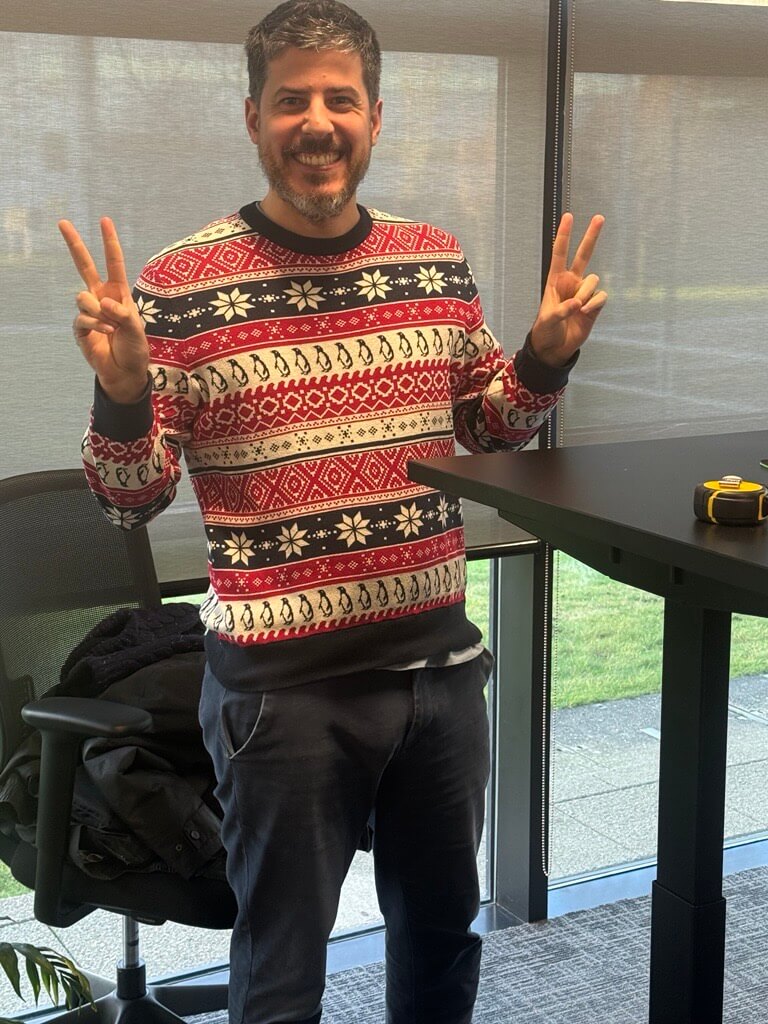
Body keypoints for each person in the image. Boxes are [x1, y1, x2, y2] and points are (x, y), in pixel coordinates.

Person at [58, 2, 607, 1021]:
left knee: (441, 943)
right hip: (282, 699)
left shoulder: (433, 261)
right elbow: (130, 499)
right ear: (254, 117)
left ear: (375, 117)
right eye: (292, 100)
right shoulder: (179, 287)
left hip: (440, 678)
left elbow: (489, 428)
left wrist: (544, 356)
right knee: (281, 974)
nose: (318, 122)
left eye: (341, 100)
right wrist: (123, 394)